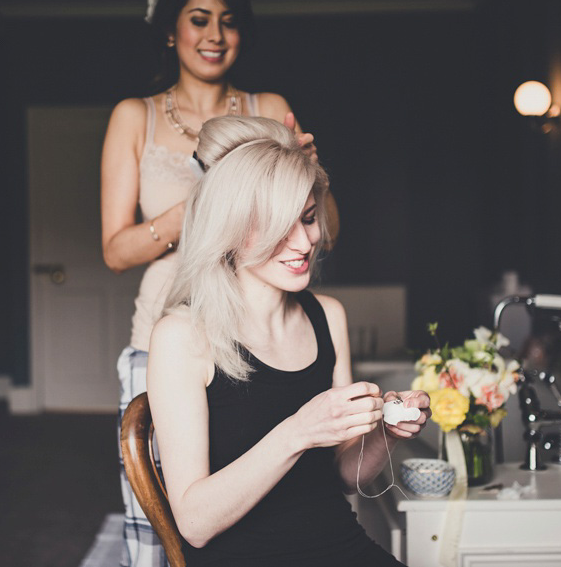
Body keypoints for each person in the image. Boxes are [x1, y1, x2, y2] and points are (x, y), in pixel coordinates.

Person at [100, 0, 337, 567]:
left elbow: (321, 231)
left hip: (259, 323)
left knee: (280, 484)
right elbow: (116, 251)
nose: (214, 34)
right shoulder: (135, 117)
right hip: (171, 328)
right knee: (161, 518)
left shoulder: (267, 107)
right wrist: (205, 208)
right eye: (199, 18)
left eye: (228, 20)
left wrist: (310, 177)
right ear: (171, 27)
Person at [147, 116, 430, 566]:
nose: (304, 242)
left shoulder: (327, 317)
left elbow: (341, 475)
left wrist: (386, 434)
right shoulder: (182, 337)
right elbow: (195, 526)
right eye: (280, 225)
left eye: (309, 218)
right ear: (230, 229)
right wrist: (298, 431)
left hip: (339, 548)